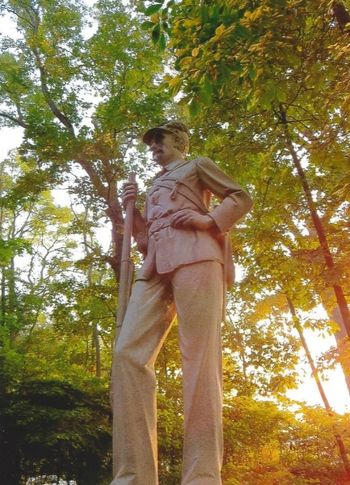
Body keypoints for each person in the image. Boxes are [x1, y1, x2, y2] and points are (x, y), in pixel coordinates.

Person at [111, 121, 252, 485]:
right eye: (151, 142)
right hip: (156, 264)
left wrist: (208, 221)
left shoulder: (197, 165)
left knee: (200, 360)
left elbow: (239, 196)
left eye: (160, 139)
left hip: (198, 256)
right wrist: (132, 209)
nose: (154, 146)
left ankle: (202, 476)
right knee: (127, 354)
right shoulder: (154, 185)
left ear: (179, 141)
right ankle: (134, 476)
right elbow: (145, 239)